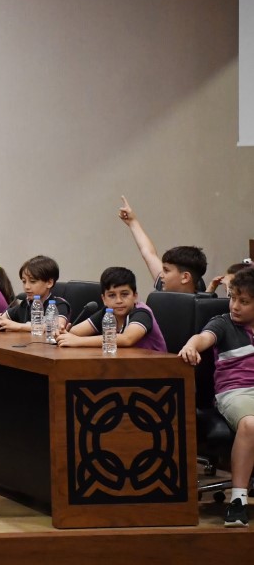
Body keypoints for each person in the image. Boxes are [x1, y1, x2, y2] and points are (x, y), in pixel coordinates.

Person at [178, 267, 254, 527]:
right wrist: (190, 346)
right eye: (233, 298)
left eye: (244, 301)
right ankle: (238, 501)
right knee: (250, 424)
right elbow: (202, 338)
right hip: (235, 392)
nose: (235, 306)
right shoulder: (222, 323)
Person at [57, 266, 166, 351]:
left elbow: (127, 339)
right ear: (104, 299)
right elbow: (75, 332)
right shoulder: (107, 313)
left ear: (135, 296)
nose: (119, 300)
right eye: (112, 295)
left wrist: (78, 341)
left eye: (124, 294)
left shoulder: (141, 312)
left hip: (154, 368)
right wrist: (63, 333)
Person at [117, 195, 207, 293]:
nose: (161, 275)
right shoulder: (163, 287)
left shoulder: (202, 302)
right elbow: (149, 253)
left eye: (166, 270)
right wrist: (132, 222)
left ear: (185, 277)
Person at [0, 255, 71, 333]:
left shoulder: (59, 304)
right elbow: (0, 318)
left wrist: (19, 326)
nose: (26, 287)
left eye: (32, 281)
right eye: (24, 281)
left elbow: (57, 326)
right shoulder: (26, 304)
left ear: (49, 283)